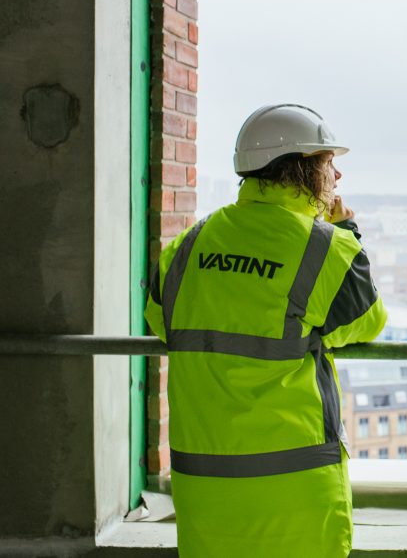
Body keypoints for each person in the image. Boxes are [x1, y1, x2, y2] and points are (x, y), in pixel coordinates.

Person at [144, 103, 387, 557]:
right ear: (304, 170)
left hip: (205, 499)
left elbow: (161, 319)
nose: (336, 177)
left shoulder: (187, 246)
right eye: (329, 163)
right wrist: (346, 228)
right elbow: (367, 320)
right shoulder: (324, 247)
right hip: (296, 497)